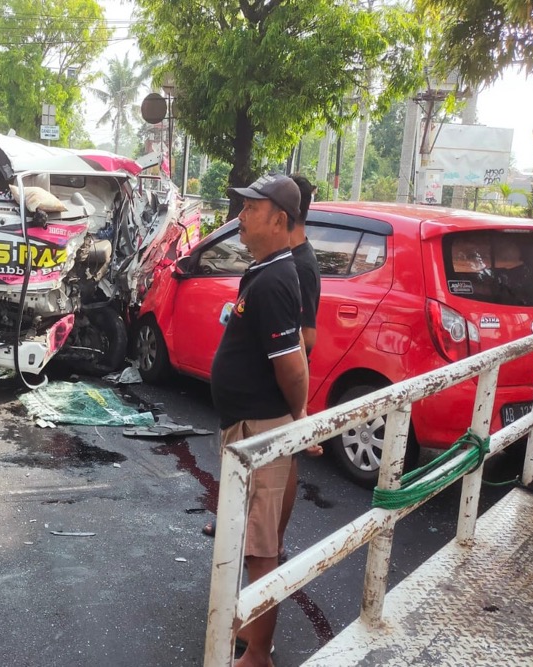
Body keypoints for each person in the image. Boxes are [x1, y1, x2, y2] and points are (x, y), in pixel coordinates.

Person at [211, 174, 309, 667]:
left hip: (261, 430)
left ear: (279, 219)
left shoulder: (274, 278)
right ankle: (249, 631)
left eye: (253, 209)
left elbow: (292, 365)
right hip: (246, 425)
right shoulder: (265, 269)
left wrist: (300, 417)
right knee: (249, 537)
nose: (242, 217)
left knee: (260, 544)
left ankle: (260, 653)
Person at [276, 174, 324, 561]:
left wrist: (275, 349)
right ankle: (237, 526)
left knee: (284, 457)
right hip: (266, 378)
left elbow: (307, 336)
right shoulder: (281, 258)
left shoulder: (302, 265)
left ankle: (273, 540)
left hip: (281, 380)